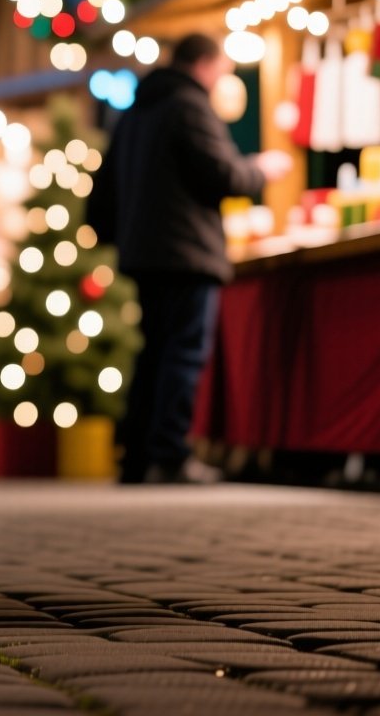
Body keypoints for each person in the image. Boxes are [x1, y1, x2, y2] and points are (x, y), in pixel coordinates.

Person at [88, 33, 292, 485]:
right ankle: (170, 455)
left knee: (154, 353)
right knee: (182, 352)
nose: (223, 79)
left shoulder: (136, 110)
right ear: (205, 63)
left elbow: (103, 189)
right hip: (185, 252)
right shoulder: (188, 104)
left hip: (144, 252)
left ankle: (137, 457)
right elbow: (221, 173)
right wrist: (260, 168)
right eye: (222, 70)